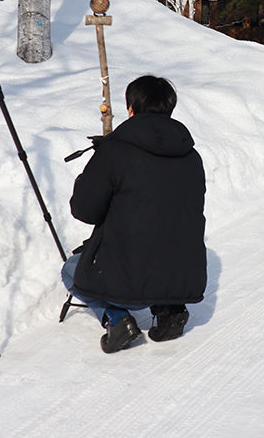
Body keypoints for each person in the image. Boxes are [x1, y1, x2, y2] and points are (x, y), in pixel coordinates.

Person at [61, 75, 207, 353]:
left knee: (70, 270)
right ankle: (168, 308)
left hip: (127, 277)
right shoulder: (191, 156)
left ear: (131, 109)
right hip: (180, 276)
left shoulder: (115, 152)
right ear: (169, 108)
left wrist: (86, 179)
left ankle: (118, 321)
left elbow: (84, 210)